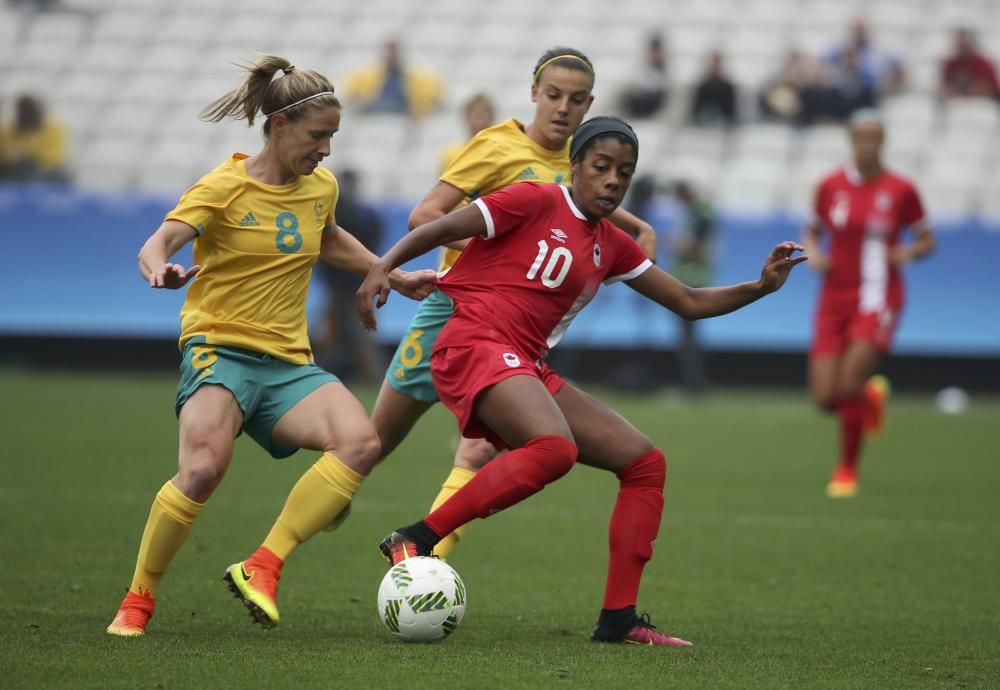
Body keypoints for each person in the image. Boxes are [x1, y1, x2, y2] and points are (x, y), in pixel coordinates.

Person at [357, 116, 806, 646]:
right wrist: (382, 267)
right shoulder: (534, 199)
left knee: (644, 463)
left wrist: (760, 286)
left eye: (625, 172)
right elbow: (440, 227)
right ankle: (417, 538)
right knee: (553, 449)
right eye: (602, 167)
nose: (614, 180)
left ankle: (619, 619)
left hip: (523, 361)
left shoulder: (612, 243)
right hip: (472, 342)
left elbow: (687, 301)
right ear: (575, 167)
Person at [105, 55, 435, 637]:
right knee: (204, 468)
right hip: (220, 352)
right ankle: (138, 599)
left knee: (360, 443)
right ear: (279, 126)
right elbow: (156, 243)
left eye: (333, 136)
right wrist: (159, 270)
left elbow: (327, 236)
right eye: (318, 136)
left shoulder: (320, 188)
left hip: (287, 363)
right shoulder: (224, 185)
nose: (327, 150)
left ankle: (263, 564)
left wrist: (389, 272)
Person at [369, 48, 657, 561]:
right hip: (454, 307)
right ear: (533, 95)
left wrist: (639, 230)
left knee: (487, 447)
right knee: (371, 444)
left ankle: (423, 558)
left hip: (522, 339)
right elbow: (429, 216)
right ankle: (280, 548)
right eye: (553, 95)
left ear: (589, 105)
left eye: (575, 99)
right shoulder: (500, 149)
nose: (562, 108)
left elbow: (584, 215)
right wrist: (503, 258)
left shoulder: (582, 169)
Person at [802, 109, 935, 499]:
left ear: (883, 141)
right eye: (861, 136)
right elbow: (811, 230)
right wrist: (814, 253)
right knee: (826, 398)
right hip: (833, 296)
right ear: (851, 139)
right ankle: (870, 396)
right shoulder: (829, 186)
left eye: (874, 136)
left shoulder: (901, 190)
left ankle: (846, 470)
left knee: (847, 384)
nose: (867, 143)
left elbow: (928, 239)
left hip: (878, 296)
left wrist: (907, 253)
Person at [312, 168, 386, 383]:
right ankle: (371, 377)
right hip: (354, 281)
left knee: (349, 332)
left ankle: (372, 377)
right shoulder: (366, 214)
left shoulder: (342, 213)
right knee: (346, 332)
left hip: (347, 283)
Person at [669, 180, 716, 396]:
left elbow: (697, 246)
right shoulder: (695, 212)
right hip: (687, 279)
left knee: (688, 337)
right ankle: (694, 384)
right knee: (687, 337)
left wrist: (672, 243)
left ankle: (694, 386)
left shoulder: (701, 213)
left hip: (692, 280)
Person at [344, 39, 443, 118]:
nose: (391, 54)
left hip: (404, 115)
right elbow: (351, 99)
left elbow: (436, 101)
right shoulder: (364, 75)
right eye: (389, 50)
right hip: (374, 115)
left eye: (394, 50)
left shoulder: (419, 77)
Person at [824, 19, 905, 99]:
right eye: (857, 29)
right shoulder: (840, 49)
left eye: (862, 29)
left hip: (871, 94)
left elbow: (897, 68)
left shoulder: (879, 51)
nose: (859, 33)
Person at [0, 94, 68, 182]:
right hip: (15, 169)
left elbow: (53, 158)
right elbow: (5, 153)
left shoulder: (52, 129)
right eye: (22, 111)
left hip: (43, 171)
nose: (26, 114)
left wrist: (29, 156)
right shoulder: (11, 129)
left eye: (28, 111)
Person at [438, 92, 496, 171]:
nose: (480, 118)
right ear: (466, 118)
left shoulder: (500, 154)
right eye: (476, 113)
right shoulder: (450, 155)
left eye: (483, 113)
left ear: (491, 119)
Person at [940, 28, 1000, 101]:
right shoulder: (950, 65)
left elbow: (992, 89)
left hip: (983, 105)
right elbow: (945, 89)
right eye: (960, 45)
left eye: (964, 45)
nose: (962, 49)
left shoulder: (983, 64)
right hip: (958, 105)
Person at [620, 33, 669, 119]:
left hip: (655, 98)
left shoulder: (664, 65)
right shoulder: (643, 64)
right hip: (641, 95)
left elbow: (662, 85)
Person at [689, 51, 738, 127]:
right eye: (713, 63)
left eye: (718, 64)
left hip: (723, 126)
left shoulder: (728, 87)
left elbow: (731, 113)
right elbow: (696, 110)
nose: (715, 66)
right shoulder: (703, 87)